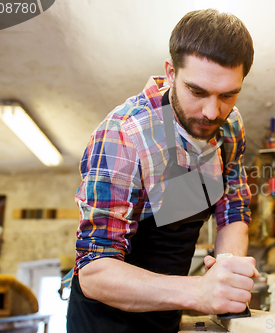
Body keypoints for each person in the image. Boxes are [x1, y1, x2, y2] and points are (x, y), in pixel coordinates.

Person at [65, 8, 259, 333]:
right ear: (171, 73)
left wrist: (226, 272)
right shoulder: (124, 135)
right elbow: (94, 273)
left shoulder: (231, 125)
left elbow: (233, 211)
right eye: (197, 92)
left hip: (166, 314)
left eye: (228, 94)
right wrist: (200, 291)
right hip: (104, 321)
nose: (212, 112)